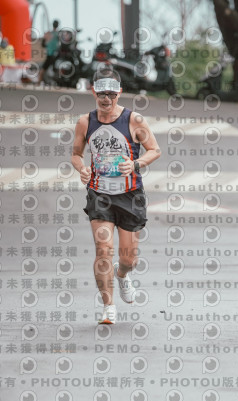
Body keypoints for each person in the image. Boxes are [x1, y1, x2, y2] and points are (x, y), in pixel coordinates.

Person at [71, 68, 161, 324]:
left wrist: (135, 164)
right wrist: (82, 169)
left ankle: (122, 275)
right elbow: (76, 154)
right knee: (103, 250)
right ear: (94, 92)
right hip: (100, 195)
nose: (106, 99)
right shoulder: (85, 122)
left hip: (130, 195)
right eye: (102, 94)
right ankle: (108, 306)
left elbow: (154, 150)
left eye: (111, 94)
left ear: (119, 93)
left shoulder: (134, 120)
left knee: (128, 258)